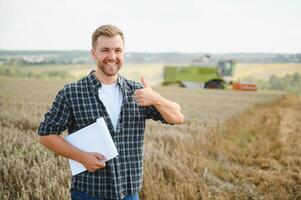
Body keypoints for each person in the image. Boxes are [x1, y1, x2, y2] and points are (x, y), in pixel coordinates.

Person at [37, 24, 184, 200]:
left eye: (118, 50)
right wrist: (82, 157)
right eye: (105, 50)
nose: (112, 56)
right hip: (88, 192)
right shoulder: (71, 92)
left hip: (129, 193)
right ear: (94, 53)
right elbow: (45, 135)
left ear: (123, 53)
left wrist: (156, 99)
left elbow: (177, 117)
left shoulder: (138, 91)